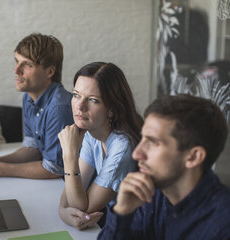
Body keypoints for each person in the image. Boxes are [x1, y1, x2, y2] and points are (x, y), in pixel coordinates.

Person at [98, 94, 230, 240]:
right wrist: (122, 212)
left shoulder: (223, 224)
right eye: (142, 139)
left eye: (153, 142)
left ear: (193, 157)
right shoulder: (150, 196)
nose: (136, 154)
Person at [0, 33, 74, 179]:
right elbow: (32, 149)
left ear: (50, 71)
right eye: (17, 62)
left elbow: (54, 169)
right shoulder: (28, 96)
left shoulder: (59, 108)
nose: (16, 71)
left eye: (28, 65)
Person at [58, 62, 143, 230]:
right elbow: (74, 193)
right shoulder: (93, 131)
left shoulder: (122, 147)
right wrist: (62, 211)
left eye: (93, 100)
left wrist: (69, 157)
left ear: (112, 109)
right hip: (115, 223)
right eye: (76, 95)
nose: (80, 106)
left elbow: (83, 207)